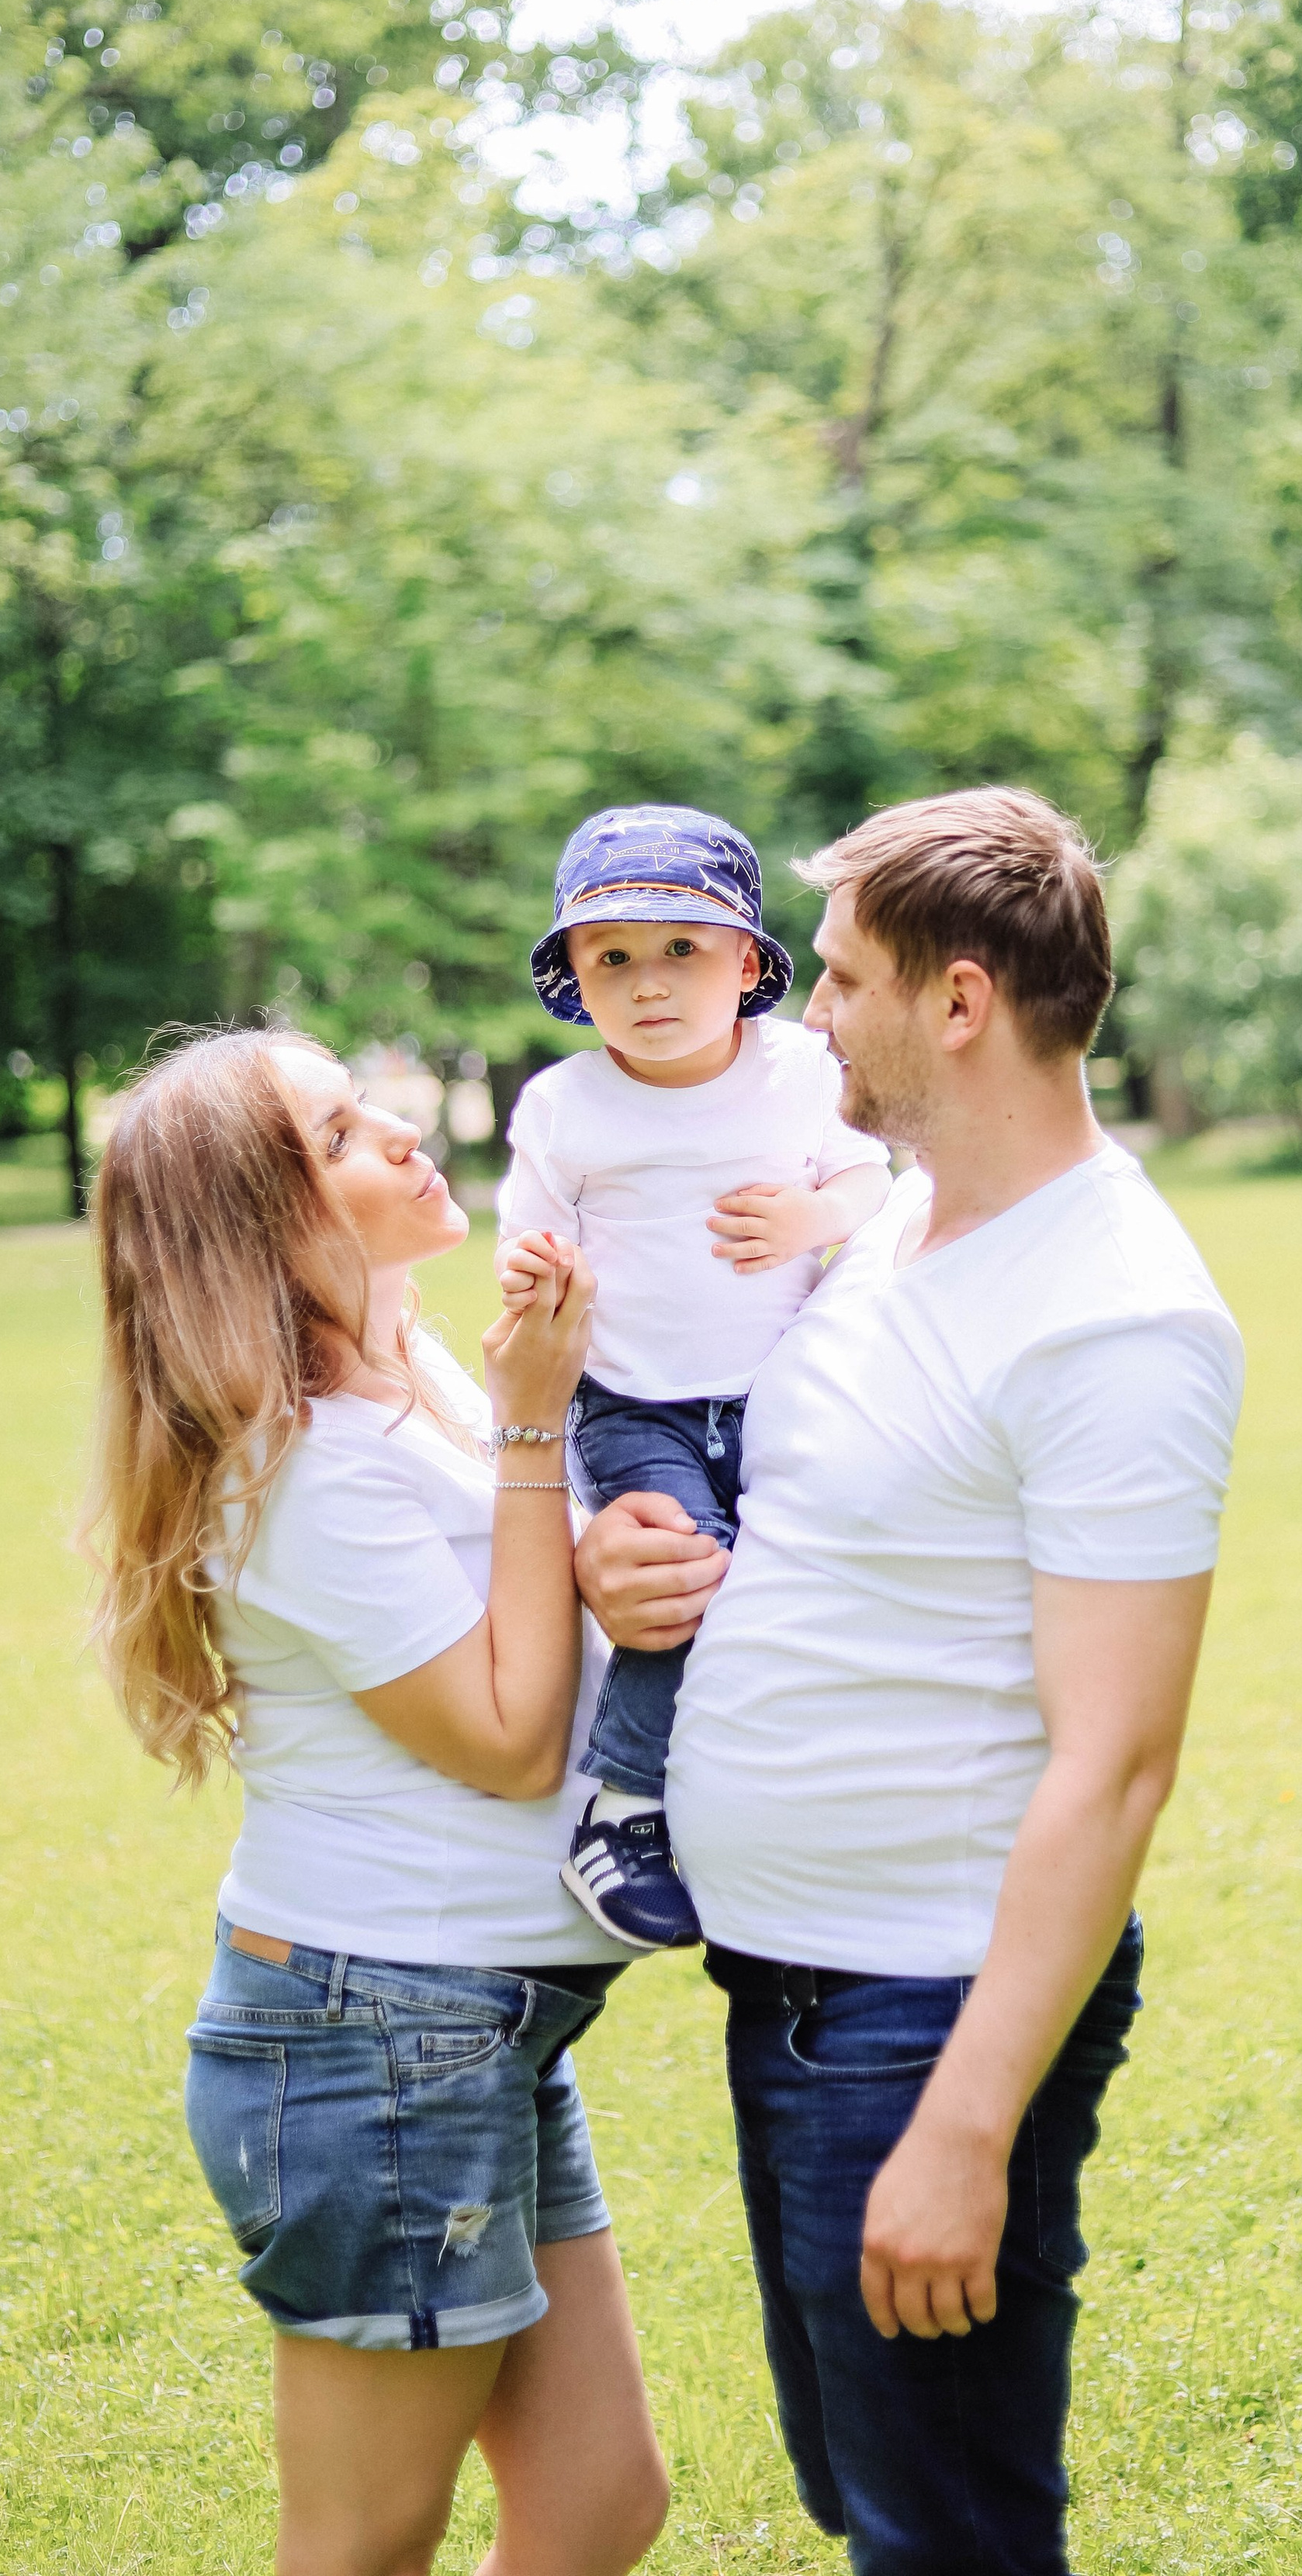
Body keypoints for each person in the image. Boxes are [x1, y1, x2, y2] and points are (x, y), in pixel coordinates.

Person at [574, 787, 1246, 2576]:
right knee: (865, 2495)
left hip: (923, 2015)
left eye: (844, 979)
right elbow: (792, 1516)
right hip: (788, 1989)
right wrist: (623, 1567)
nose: (810, 1018)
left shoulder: (1115, 1316)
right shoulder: (887, 1225)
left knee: (944, 2536)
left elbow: (1114, 1766)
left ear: (958, 1003)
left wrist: (964, 2126)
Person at [82, 1028, 674, 2576]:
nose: (402, 1134)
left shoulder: (416, 1392)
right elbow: (504, 1736)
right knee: (361, 2547)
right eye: (343, 1132)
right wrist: (542, 1418)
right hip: (373, 2039)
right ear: (266, 1226)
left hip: (472, 2027)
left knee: (598, 2504)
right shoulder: (302, 1468)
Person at [497, 806, 891, 1950]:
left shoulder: (803, 1073)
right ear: (573, 974)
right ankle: (623, 1808)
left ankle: (769, 1790)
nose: (649, 984)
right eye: (612, 958)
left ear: (749, 964)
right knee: (682, 1568)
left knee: (790, 1581)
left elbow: (868, 1184)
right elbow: (523, 1244)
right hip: (633, 1397)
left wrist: (813, 1213)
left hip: (779, 1387)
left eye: (682, 949)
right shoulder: (568, 1108)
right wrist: (534, 1268)